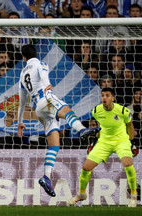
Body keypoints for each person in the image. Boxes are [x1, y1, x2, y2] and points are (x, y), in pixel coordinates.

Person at [16, 44, 100, 197]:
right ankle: (82, 130)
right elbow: (43, 74)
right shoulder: (40, 64)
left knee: (54, 145)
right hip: (46, 98)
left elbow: (22, 102)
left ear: (24, 58)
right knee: (67, 110)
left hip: (38, 110)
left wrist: (20, 122)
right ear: (35, 54)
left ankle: (46, 177)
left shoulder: (22, 75)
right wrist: (48, 84)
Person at [68, 88, 138, 208]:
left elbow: (129, 125)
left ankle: (133, 196)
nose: (104, 98)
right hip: (104, 142)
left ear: (113, 98)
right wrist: (95, 142)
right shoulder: (96, 111)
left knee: (127, 164)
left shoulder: (122, 110)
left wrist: (132, 143)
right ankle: (81, 194)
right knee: (86, 167)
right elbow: (100, 126)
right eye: (102, 95)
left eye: (107, 95)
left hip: (121, 141)